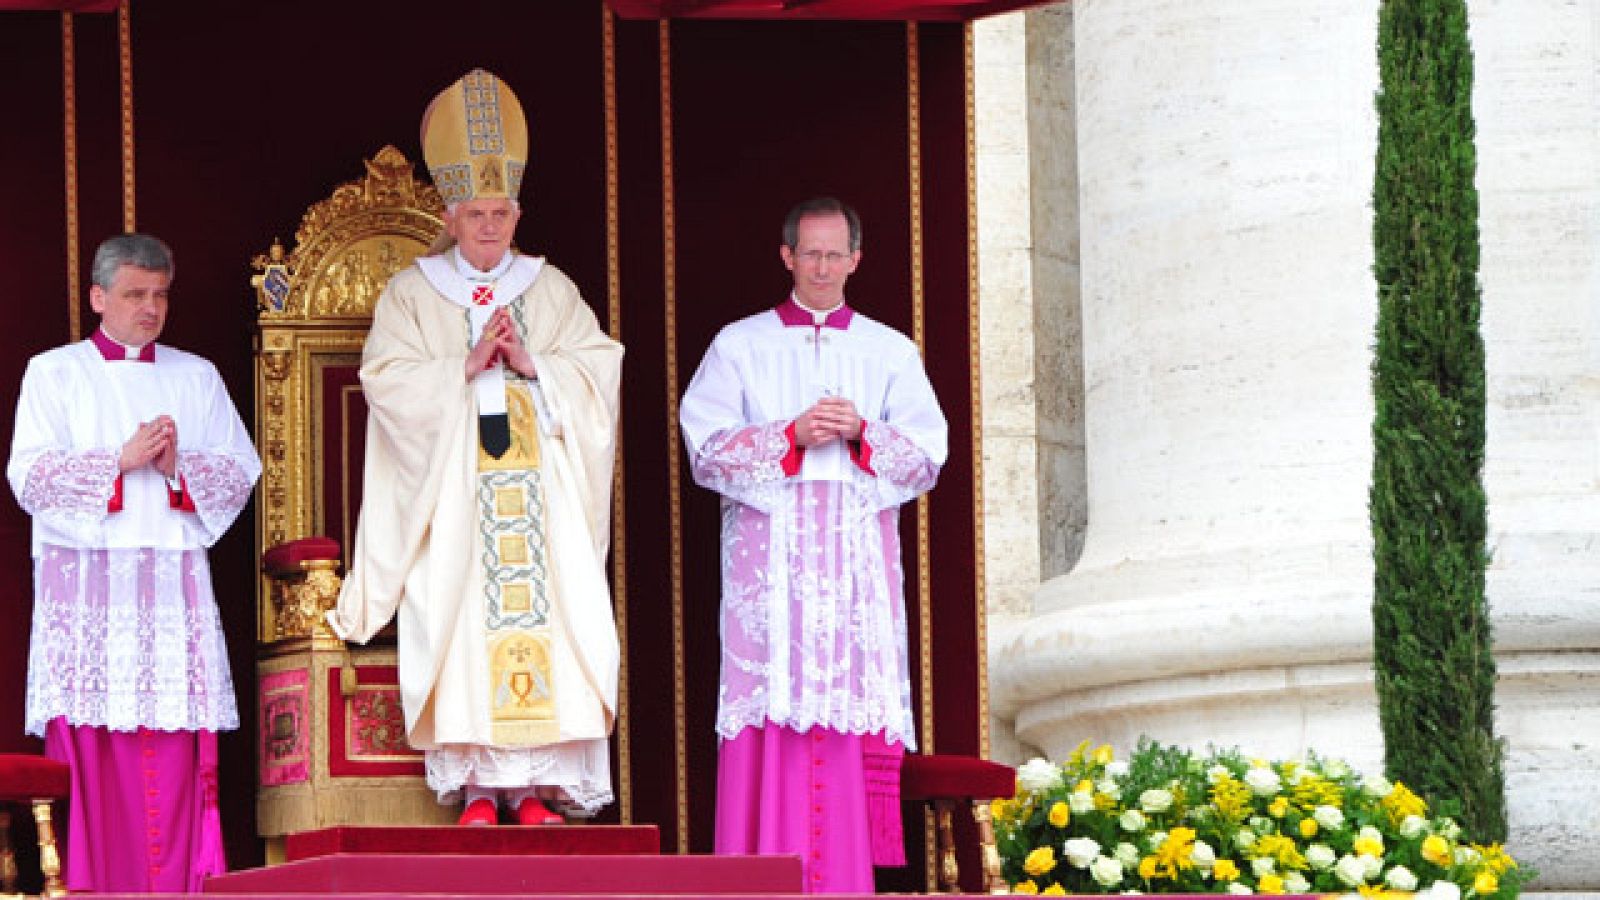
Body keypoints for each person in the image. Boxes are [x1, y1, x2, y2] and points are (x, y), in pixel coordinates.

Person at [329, 68, 623, 827]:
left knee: (549, 621)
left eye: (501, 213)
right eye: (475, 214)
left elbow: (599, 368)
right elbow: (385, 379)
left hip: (540, 501)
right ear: (450, 215)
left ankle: (538, 789)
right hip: (457, 497)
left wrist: (536, 364)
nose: (490, 227)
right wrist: (460, 367)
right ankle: (479, 789)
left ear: (516, 214)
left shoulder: (549, 289)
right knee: (462, 620)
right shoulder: (412, 293)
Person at [679, 197, 948, 892]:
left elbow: (927, 457)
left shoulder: (889, 351)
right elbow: (705, 451)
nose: (822, 268)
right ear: (787, 256)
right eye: (811, 254)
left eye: (835, 255)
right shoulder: (739, 345)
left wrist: (862, 433)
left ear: (856, 259)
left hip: (854, 576)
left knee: (846, 715)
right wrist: (789, 436)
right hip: (770, 581)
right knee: (769, 711)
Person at [7, 233, 261, 892]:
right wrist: (117, 462)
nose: (150, 308)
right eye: (135, 294)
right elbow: (29, 477)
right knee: (93, 755)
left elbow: (240, 471)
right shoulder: (53, 373)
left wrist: (180, 467)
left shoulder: (196, 377)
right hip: (88, 601)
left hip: (172, 596)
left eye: (160, 295)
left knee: (174, 761)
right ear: (98, 297)